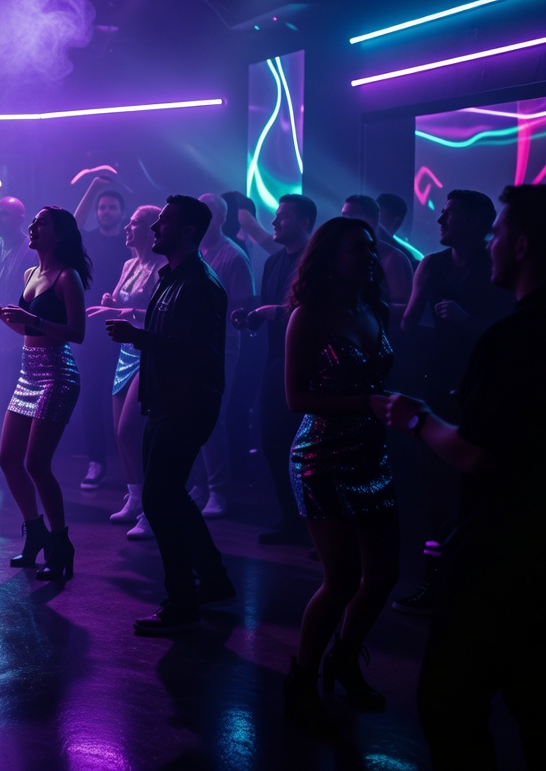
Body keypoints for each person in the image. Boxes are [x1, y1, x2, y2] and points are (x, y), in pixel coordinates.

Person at [375, 184, 545, 771]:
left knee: (450, 700)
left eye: (499, 232)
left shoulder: (513, 338)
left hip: (503, 543)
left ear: (520, 246)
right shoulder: (436, 269)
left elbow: (477, 454)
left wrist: (414, 417)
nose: (494, 243)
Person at [280, 217, 399, 736]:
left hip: (372, 456)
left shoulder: (372, 308)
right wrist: (367, 404)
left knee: (386, 574)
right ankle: (302, 678)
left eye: (371, 249)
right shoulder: (308, 316)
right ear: (329, 256)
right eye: (358, 249)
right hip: (322, 458)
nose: (369, 257)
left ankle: (345, 660)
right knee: (344, 577)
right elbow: (295, 399)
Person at [106, 195, 233, 635]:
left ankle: (182, 601)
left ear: (188, 232)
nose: (156, 228)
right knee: (170, 495)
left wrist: (136, 336)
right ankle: (213, 580)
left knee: (161, 499)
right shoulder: (173, 277)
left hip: (186, 403)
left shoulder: (199, 284)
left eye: (164, 223)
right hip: (167, 400)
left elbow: (194, 351)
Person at [393, 189, 513, 614]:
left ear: (479, 223)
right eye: (442, 215)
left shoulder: (499, 262)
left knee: (476, 486)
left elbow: (512, 333)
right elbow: (409, 322)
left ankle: (473, 586)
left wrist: (466, 322)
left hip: (489, 386)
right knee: (437, 487)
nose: (441, 222)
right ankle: (436, 582)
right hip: (441, 382)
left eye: (450, 216)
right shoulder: (432, 263)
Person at [0, 207, 89, 581]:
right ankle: (35, 531)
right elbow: (25, 332)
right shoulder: (31, 274)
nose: (32, 227)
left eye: (40, 223)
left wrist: (34, 320)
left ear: (58, 234)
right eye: (33, 222)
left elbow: (77, 333)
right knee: (8, 459)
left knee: (36, 464)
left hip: (57, 375)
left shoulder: (67, 276)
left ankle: (61, 544)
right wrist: (0, 313)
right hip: (28, 373)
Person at [233, 194, 317, 546]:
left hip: (309, 363)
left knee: (307, 448)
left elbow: (316, 313)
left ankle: (315, 526)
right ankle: (291, 518)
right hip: (275, 361)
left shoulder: (316, 262)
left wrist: (272, 313)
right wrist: (250, 317)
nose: (274, 222)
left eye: (282, 217)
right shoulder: (272, 263)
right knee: (272, 441)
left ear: (305, 223)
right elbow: (270, 308)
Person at [87, 204, 161, 539]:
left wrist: (124, 309)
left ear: (149, 229)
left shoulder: (161, 266)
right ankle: (134, 496)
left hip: (146, 350)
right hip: (124, 352)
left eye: (133, 224)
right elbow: (117, 300)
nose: (127, 229)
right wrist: (110, 301)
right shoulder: (130, 263)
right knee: (119, 430)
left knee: (133, 427)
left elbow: (157, 314)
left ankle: (150, 508)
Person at [191, 193, 255, 518]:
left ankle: (218, 491)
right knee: (194, 418)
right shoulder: (194, 252)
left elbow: (242, 309)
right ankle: (201, 485)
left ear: (219, 218)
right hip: (191, 346)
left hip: (221, 348)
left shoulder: (234, 256)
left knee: (212, 419)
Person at [0, 197, 36, 488]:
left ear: (21, 218)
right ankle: (7, 462)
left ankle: (16, 465)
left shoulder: (32, 252)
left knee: (17, 406)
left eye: (6, 215)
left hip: (19, 340)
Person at [73, 177, 127, 491]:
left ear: (122, 212)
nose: (105, 212)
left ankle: (129, 465)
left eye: (111, 207)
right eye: (101, 207)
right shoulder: (88, 239)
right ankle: (96, 461)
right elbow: (73, 224)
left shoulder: (130, 242)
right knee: (91, 397)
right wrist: (92, 188)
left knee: (120, 399)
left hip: (122, 329)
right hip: (90, 329)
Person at [342, 195, 413, 313]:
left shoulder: (392, 257)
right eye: (343, 215)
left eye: (350, 216)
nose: (344, 221)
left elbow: (403, 307)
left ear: (372, 220)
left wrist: (363, 309)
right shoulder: (341, 250)